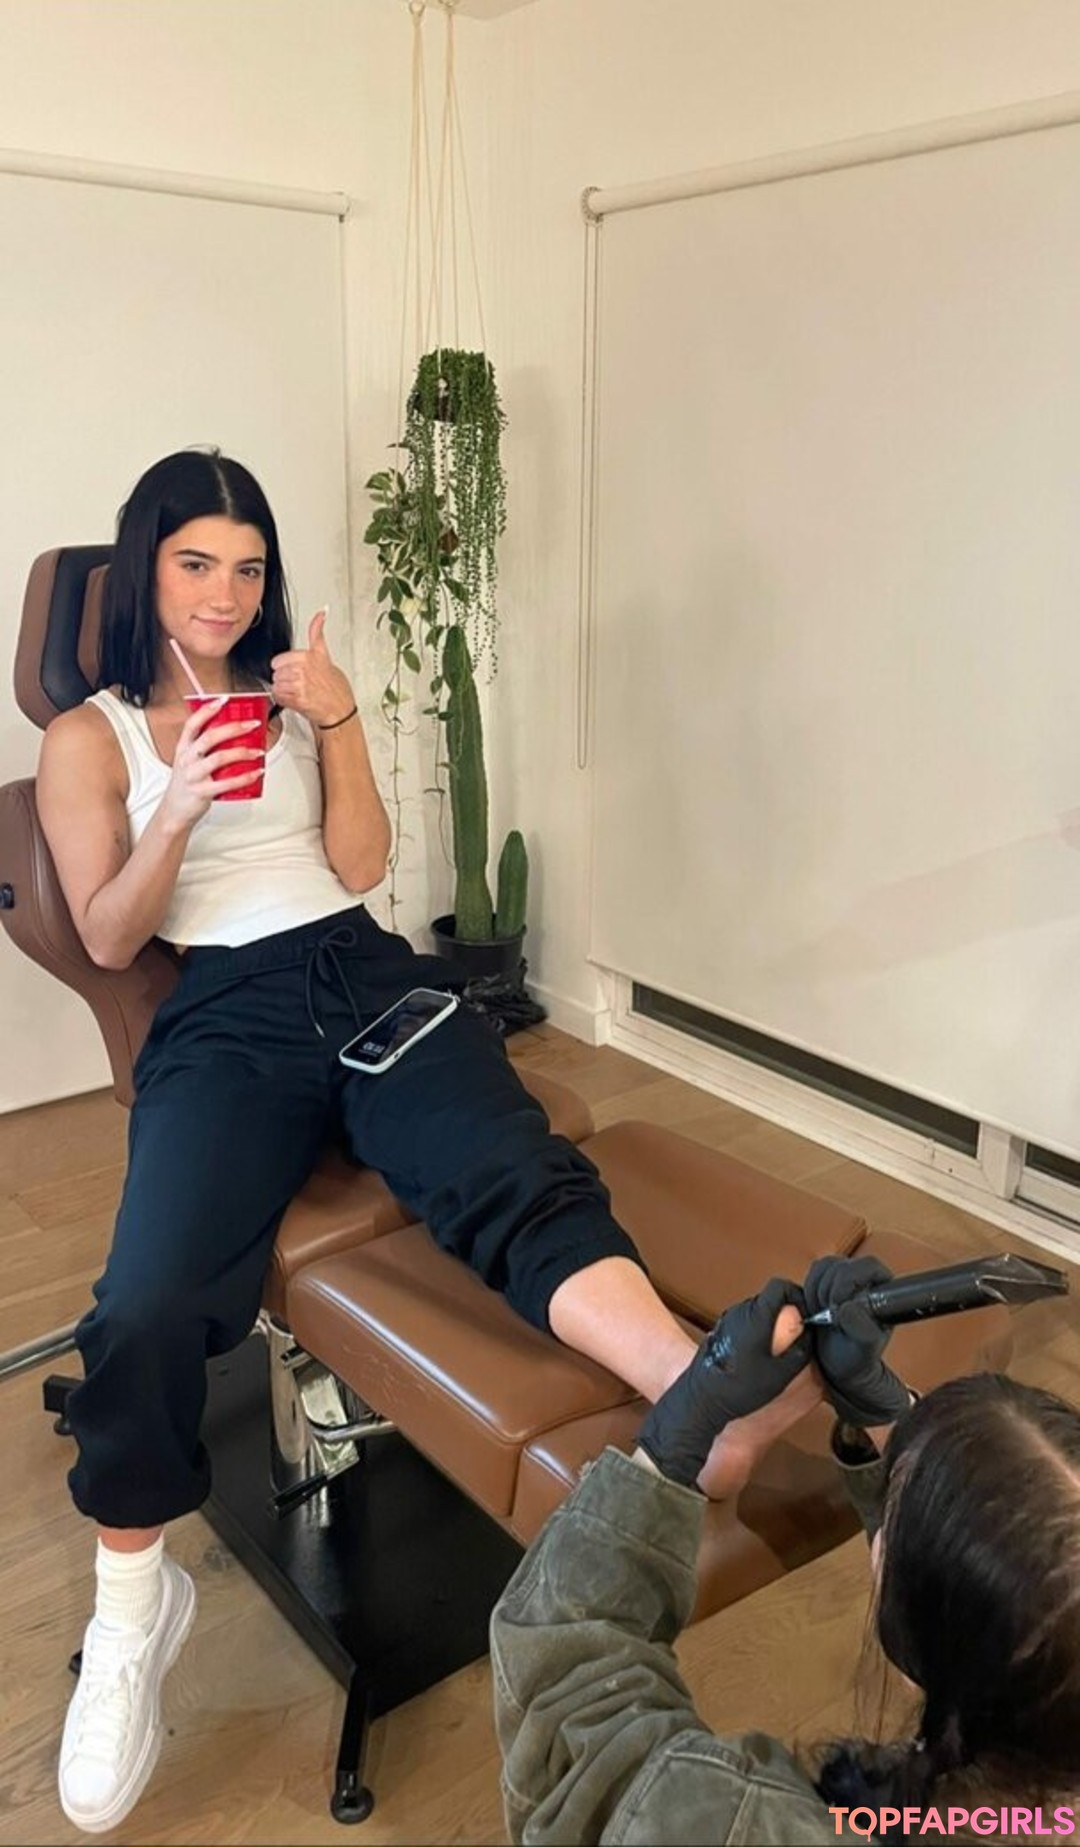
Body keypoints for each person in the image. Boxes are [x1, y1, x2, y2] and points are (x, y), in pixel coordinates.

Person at [36, 446, 815, 1834]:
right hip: (224, 1008)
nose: (226, 592)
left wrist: (334, 720)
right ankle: (132, 1608)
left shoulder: (292, 693)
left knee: (506, 1165)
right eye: (196, 562)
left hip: (360, 966)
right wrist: (182, 801)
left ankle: (692, 1384)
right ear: (142, 565)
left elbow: (358, 866)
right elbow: (105, 933)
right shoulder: (91, 737)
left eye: (249, 566)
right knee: (145, 1301)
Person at [492, 1255, 1080, 1844]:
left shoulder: (740, 1828)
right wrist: (890, 1419)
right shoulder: (1034, 1802)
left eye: (899, 1507)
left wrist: (682, 1425)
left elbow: (567, 1689)